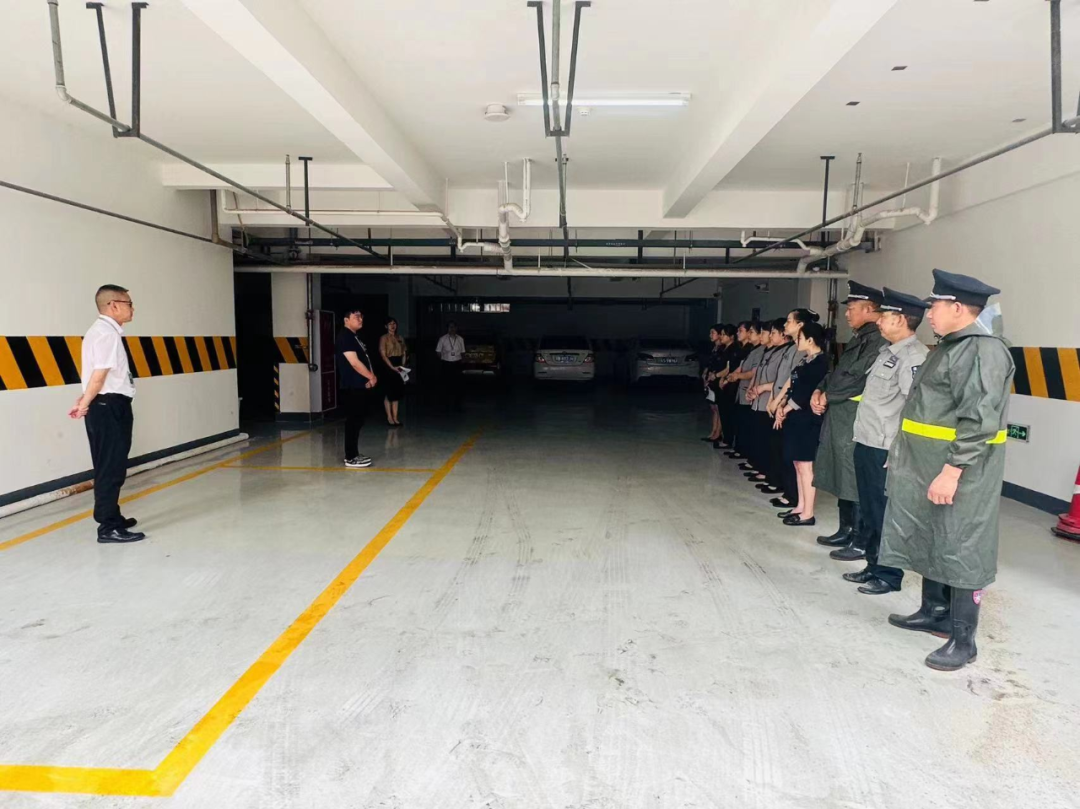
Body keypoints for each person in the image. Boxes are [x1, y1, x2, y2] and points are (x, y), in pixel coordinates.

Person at [880, 269, 1014, 671]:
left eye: (934, 305)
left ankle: (963, 641)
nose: (929, 313)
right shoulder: (949, 347)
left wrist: (953, 471)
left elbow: (979, 421)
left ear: (957, 308)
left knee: (962, 546)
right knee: (933, 535)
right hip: (927, 465)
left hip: (960, 472)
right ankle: (933, 612)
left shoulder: (982, 351)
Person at [838, 289, 930, 595]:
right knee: (869, 510)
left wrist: (899, 449)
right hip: (868, 441)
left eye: (886, 316)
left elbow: (913, 408)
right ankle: (873, 565)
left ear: (901, 320)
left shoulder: (913, 357)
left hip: (885, 448)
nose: (879, 321)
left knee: (883, 512)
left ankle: (889, 575)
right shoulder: (887, 352)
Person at [811, 282, 887, 555]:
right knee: (842, 474)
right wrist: (820, 389)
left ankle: (860, 539)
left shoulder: (878, 341)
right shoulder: (860, 338)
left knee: (853, 477)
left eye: (852, 308)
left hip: (855, 419)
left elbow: (856, 380)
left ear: (868, 309)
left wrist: (827, 395)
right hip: (841, 416)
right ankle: (846, 530)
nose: (846, 313)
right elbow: (838, 372)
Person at [68, 284, 145, 543]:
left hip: (106, 404)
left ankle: (112, 515)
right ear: (113, 305)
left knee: (112, 464)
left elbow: (95, 374)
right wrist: (85, 403)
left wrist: (85, 398)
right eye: (128, 303)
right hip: (109, 406)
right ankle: (107, 527)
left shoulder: (101, 332)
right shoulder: (106, 334)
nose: (132, 308)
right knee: (110, 467)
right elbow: (99, 376)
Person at [773, 322, 829, 526]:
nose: (796, 341)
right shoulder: (806, 360)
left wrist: (785, 409)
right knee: (798, 464)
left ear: (810, 340)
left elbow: (806, 392)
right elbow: (793, 387)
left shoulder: (820, 362)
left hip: (807, 420)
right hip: (795, 418)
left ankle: (808, 513)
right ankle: (800, 506)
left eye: (799, 338)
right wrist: (782, 405)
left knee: (805, 466)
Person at [764, 309, 817, 508]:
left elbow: (798, 384)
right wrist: (777, 400)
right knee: (787, 454)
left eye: (789, 321)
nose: (785, 325)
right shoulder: (793, 348)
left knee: (797, 459)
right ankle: (791, 494)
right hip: (786, 406)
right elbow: (786, 379)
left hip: (797, 411)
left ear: (801, 325)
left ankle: (795, 498)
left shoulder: (804, 351)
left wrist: (783, 405)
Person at [335, 308, 377, 468]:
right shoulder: (345, 336)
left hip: (359, 384)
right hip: (352, 385)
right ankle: (351, 456)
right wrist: (371, 376)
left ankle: (354, 453)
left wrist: (370, 376)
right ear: (346, 320)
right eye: (356, 317)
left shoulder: (354, 337)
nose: (360, 319)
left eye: (361, 316)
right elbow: (354, 362)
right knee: (353, 420)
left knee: (358, 419)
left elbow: (365, 359)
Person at [379, 317, 407, 427]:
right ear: (386, 326)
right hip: (388, 366)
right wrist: (392, 367)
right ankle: (389, 417)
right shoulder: (383, 338)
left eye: (394, 323)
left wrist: (402, 367)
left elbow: (404, 353)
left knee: (397, 393)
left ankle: (395, 418)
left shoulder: (400, 337)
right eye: (390, 324)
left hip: (399, 365)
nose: (393, 325)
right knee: (388, 392)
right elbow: (383, 355)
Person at [701, 324, 726, 444]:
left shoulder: (722, 349)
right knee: (713, 407)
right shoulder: (714, 348)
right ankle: (714, 431)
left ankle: (718, 432)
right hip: (710, 380)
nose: (710, 335)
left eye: (713, 333)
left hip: (716, 379)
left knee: (717, 407)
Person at [435, 321, 466, 411]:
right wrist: (443, 358)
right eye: (450, 327)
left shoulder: (460, 339)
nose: (452, 329)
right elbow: (438, 351)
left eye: (453, 327)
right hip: (446, 363)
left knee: (458, 384)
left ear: (456, 328)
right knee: (446, 384)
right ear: (447, 329)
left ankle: (458, 404)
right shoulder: (442, 339)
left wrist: (462, 362)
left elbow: (463, 352)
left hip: (457, 363)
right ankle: (446, 403)